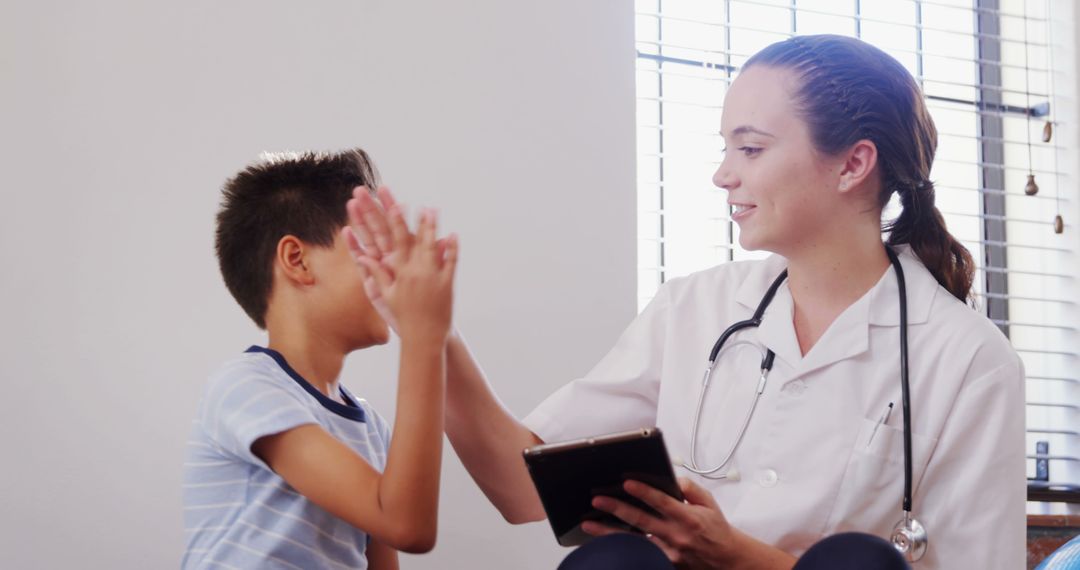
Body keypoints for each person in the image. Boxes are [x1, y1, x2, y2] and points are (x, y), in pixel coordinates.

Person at [347, 34, 1026, 569]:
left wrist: (740, 557)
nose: (722, 174)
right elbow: (523, 490)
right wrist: (430, 334)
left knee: (857, 562)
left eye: (751, 148)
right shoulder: (694, 311)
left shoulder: (966, 359)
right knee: (612, 558)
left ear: (852, 165)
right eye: (726, 148)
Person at [182, 149, 458, 569]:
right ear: (297, 259)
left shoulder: (370, 429)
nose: (393, 273)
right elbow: (407, 525)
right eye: (372, 250)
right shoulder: (245, 387)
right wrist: (423, 338)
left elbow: (393, 541)